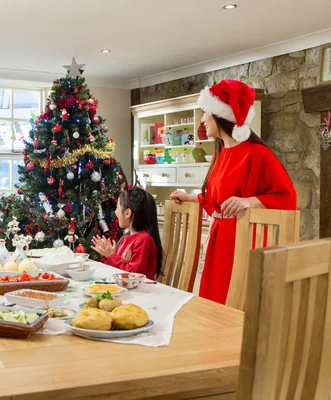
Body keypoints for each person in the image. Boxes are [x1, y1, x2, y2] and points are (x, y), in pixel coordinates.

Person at [170, 79, 297, 305]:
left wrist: (251, 201)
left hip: (242, 240)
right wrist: (191, 198)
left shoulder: (256, 154)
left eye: (205, 112)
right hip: (220, 239)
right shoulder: (221, 151)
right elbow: (217, 198)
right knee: (214, 301)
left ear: (221, 116)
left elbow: (287, 197)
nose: (202, 119)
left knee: (233, 302)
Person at [91, 186, 163, 280]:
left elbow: (134, 276)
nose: (115, 211)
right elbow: (118, 269)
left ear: (127, 213)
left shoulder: (144, 240)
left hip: (140, 292)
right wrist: (107, 254)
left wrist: (112, 256)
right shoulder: (127, 237)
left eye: (117, 207)